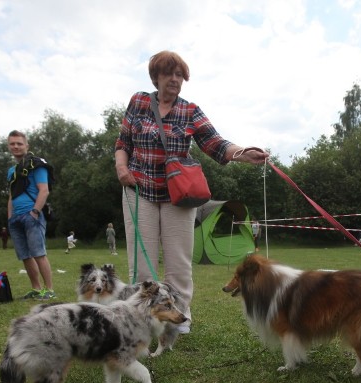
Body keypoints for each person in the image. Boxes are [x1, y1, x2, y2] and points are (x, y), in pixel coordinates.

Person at [114, 50, 268, 333]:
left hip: (179, 196)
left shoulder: (190, 110)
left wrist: (243, 153)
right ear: (155, 77)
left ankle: (179, 319)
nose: (174, 79)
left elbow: (216, 143)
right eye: (168, 74)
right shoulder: (138, 102)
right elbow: (123, 142)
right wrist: (122, 168)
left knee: (178, 263)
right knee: (141, 263)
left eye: (179, 75)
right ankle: (144, 319)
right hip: (138, 192)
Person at [6, 130, 56, 299]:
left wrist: (35, 211)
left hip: (32, 215)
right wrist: (9, 217)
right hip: (16, 218)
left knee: (38, 253)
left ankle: (49, 290)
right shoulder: (11, 171)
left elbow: (44, 190)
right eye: (12, 143)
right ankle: (36, 288)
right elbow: (11, 196)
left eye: (19, 143)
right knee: (25, 255)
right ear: (8, 146)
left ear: (26, 145)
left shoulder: (37, 165)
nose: (16, 146)